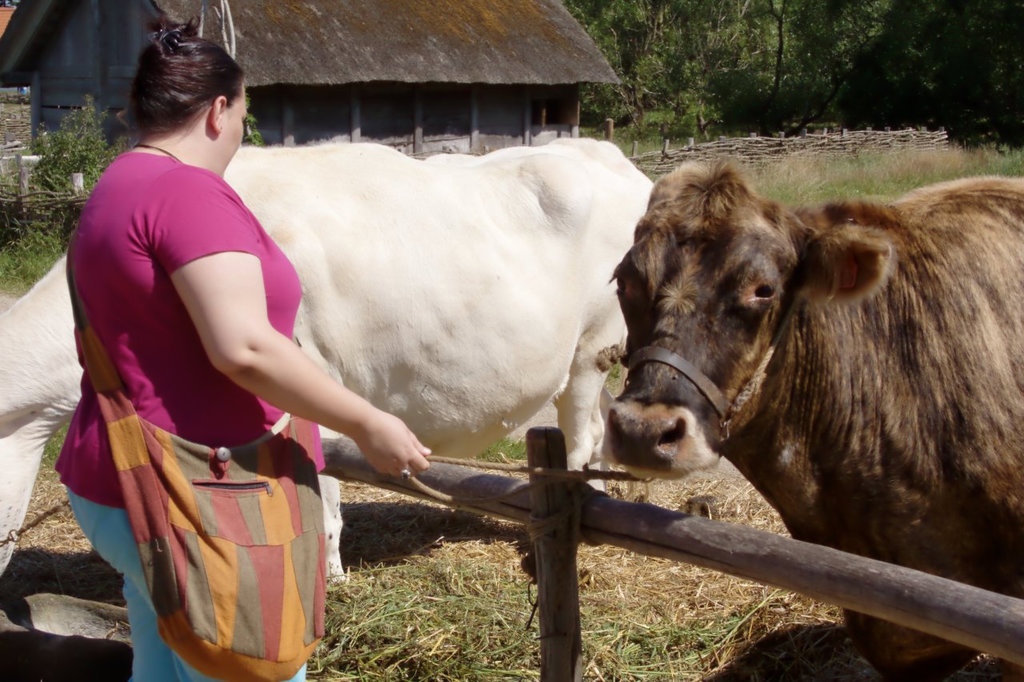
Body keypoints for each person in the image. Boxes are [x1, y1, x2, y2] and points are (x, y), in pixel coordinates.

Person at [56, 15, 431, 682]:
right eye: (242, 114)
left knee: (164, 664)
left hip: (123, 477)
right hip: (203, 498)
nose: (237, 135)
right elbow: (246, 349)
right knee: (254, 667)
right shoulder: (188, 194)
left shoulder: (117, 185)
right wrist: (368, 421)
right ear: (217, 110)